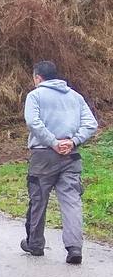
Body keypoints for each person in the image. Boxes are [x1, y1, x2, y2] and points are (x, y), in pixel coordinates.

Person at [22, 60, 98, 265]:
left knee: (38, 199)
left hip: (43, 155)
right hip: (71, 156)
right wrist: (73, 141)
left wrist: (53, 143)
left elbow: (32, 122)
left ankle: (35, 244)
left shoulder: (35, 96)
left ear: (38, 77)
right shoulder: (75, 96)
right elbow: (91, 123)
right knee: (72, 201)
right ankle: (74, 248)